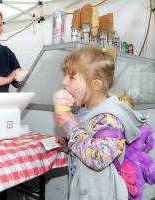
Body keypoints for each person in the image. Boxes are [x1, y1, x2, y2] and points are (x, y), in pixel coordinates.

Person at [54, 47, 147, 200]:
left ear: (95, 85)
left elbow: (98, 158)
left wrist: (72, 128)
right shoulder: (86, 111)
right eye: (64, 76)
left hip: (102, 193)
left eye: (71, 77)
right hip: (86, 189)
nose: (63, 82)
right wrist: (68, 144)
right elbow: (87, 143)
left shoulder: (109, 118)